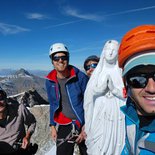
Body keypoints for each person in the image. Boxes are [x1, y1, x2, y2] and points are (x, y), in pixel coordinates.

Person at [46, 43, 89, 155]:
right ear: (52, 61)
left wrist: (86, 126)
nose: (60, 60)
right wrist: (52, 126)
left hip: (84, 121)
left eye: (63, 57)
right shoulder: (50, 80)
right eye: (56, 58)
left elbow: (90, 102)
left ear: (68, 58)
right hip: (65, 122)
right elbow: (53, 103)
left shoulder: (80, 77)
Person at [118, 25, 155, 155]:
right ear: (126, 86)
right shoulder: (131, 115)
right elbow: (129, 148)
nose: (151, 88)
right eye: (137, 79)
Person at [84, 40, 126, 155]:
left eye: (114, 50)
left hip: (118, 116)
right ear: (104, 51)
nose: (111, 53)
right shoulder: (98, 72)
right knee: (99, 144)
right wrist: (99, 90)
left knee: (117, 143)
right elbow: (88, 96)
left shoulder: (121, 72)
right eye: (108, 49)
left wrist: (115, 91)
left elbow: (130, 95)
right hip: (99, 114)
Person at [0, 88, 36, 154]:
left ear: (5, 99)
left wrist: (27, 136)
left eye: (0, 97)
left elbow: (32, 122)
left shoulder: (19, 109)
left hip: (20, 150)